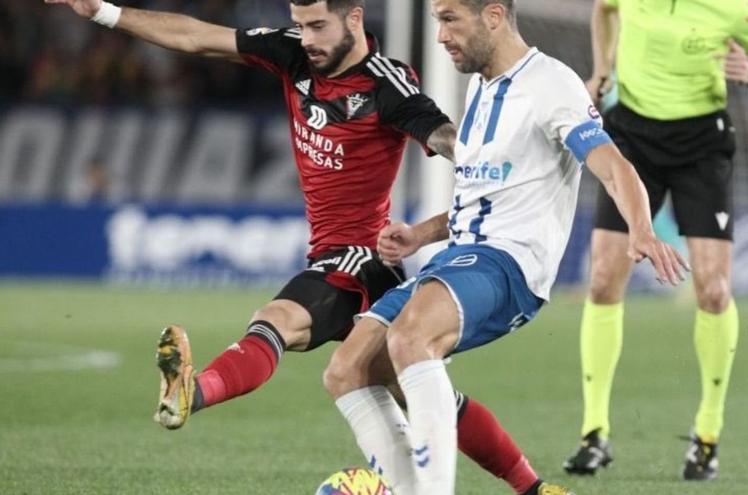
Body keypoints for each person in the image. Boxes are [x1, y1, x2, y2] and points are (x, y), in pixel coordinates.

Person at [45, 0, 568, 492]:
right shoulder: (292, 53)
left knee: (278, 320)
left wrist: (497, 160)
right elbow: (196, 37)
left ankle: (194, 391)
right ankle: (532, 486)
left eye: (319, 25)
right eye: (301, 24)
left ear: (355, 19)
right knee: (423, 395)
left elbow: (451, 140)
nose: (308, 37)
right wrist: (106, 12)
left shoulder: (388, 84)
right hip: (334, 258)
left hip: (361, 261)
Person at [321, 0, 690, 493]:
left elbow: (612, 164)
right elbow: (483, 196)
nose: (440, 36)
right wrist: (421, 235)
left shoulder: (551, 84)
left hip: (512, 264)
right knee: (348, 370)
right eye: (437, 21)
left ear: (493, 16)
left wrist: (641, 228)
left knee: (411, 338)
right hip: (461, 257)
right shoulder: (480, 87)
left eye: (450, 19)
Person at [563, 0, 748, 481]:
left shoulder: (736, 7)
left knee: (714, 290)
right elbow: (603, 9)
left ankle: (707, 436)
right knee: (604, 279)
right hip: (631, 135)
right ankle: (594, 433)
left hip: (701, 145)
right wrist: (602, 69)